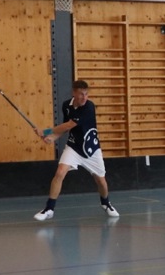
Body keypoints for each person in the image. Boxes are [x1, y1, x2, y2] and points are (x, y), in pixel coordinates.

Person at [33, 80, 118, 221]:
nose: (84, 97)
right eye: (81, 94)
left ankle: (106, 203)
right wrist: (53, 137)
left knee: (101, 182)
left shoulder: (89, 107)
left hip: (91, 149)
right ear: (74, 93)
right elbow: (67, 128)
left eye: (86, 94)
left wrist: (46, 131)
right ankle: (49, 208)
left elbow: (68, 125)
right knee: (60, 172)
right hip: (73, 147)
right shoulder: (66, 106)